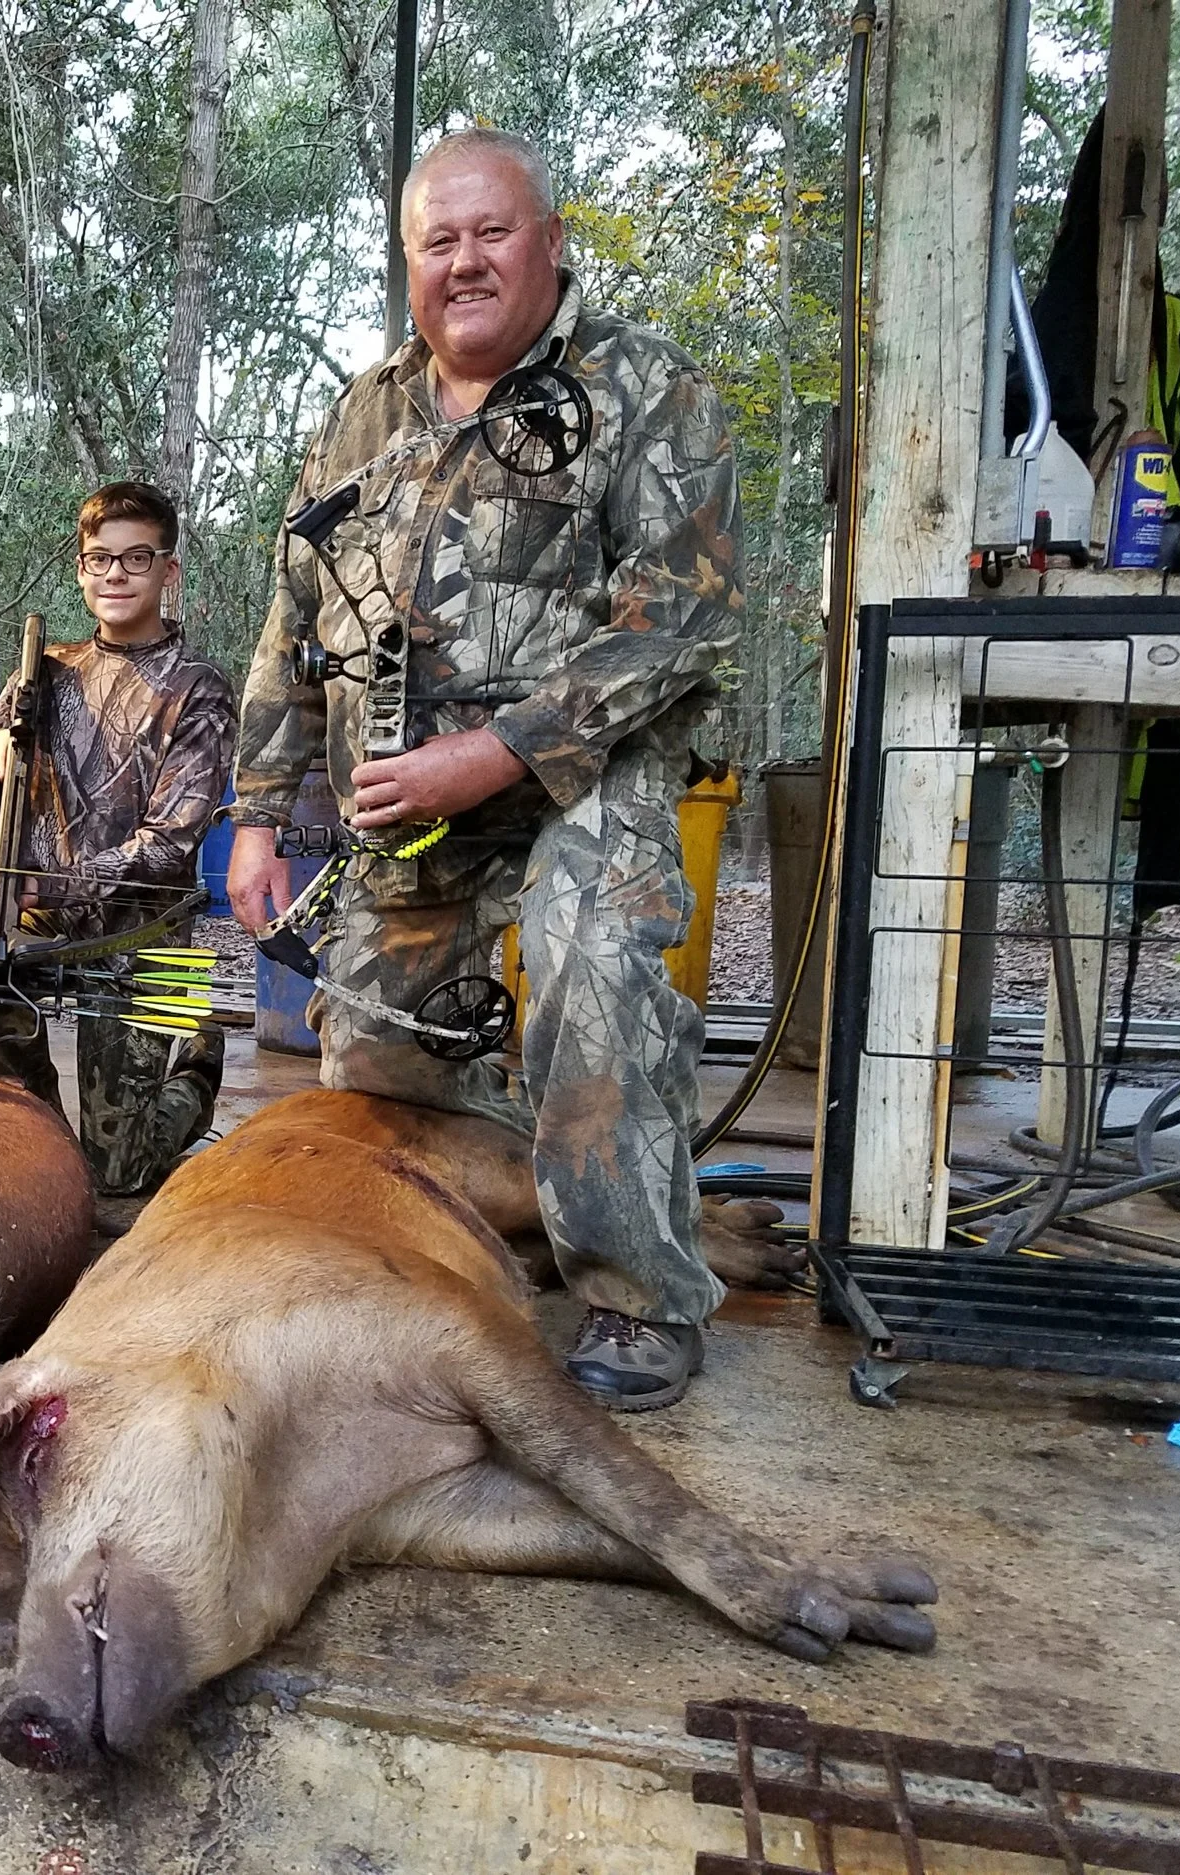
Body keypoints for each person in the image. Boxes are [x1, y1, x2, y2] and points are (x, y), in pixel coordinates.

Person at [224, 128, 743, 1410]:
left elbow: (683, 618)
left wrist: (499, 750)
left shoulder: (647, 390)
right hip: (404, 806)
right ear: (407, 262)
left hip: (584, 780)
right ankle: (507, 1206)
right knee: (377, 1061)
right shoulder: (363, 413)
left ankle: (637, 1295)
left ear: (550, 242)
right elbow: (293, 622)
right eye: (435, 241)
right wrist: (256, 815)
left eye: (490, 233)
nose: (462, 262)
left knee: (590, 963)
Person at [0, 481, 237, 1195]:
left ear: (169, 570)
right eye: (100, 558)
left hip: (148, 933)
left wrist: (46, 883)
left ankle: (199, 1058)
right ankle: (40, 1129)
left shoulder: (199, 688)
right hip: (42, 916)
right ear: (80, 568)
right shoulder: (45, 670)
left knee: (119, 1175)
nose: (116, 575)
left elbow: (168, 846)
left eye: (137, 558)